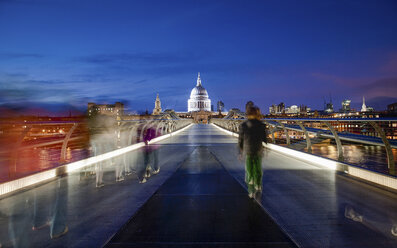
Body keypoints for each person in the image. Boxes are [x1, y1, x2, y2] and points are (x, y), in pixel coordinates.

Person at [238, 105, 267, 198]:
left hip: (248, 150)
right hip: (258, 149)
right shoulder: (261, 125)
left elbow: (240, 140)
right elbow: (264, 139)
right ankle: (258, 185)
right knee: (258, 169)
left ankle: (250, 190)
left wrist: (240, 151)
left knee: (249, 170)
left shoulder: (243, 125)